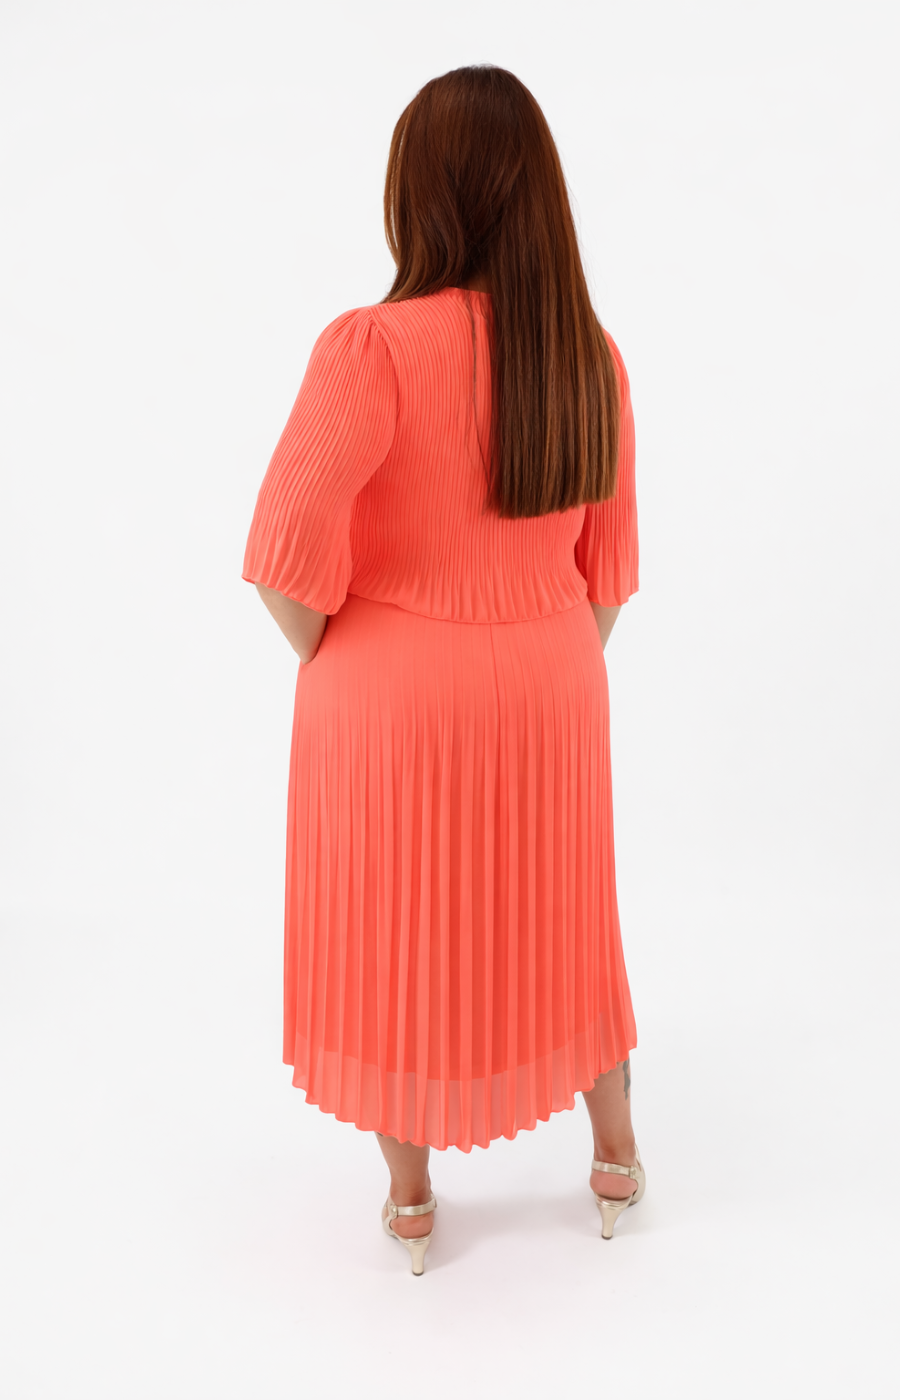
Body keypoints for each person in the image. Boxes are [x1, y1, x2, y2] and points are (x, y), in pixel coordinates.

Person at [242, 64, 644, 1276]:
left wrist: (347, 654)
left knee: (395, 926)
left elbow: (281, 551)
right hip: (557, 673)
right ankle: (616, 1155)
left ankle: (413, 1196)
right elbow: (606, 573)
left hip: (393, 689)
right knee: (566, 917)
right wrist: (539, 658)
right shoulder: (590, 354)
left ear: (418, 195)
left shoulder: (372, 347)